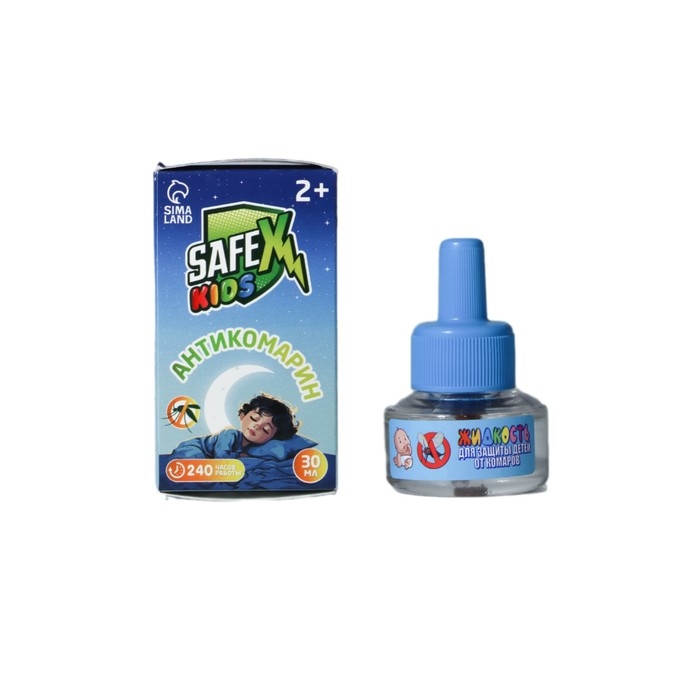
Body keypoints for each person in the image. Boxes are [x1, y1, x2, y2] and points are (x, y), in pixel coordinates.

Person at [171, 394, 298, 459]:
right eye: (254, 419)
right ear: (242, 416)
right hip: (192, 448)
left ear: (272, 438)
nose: (257, 426)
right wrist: (241, 456)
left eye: (266, 430)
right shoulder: (230, 434)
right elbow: (221, 457)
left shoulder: (257, 449)